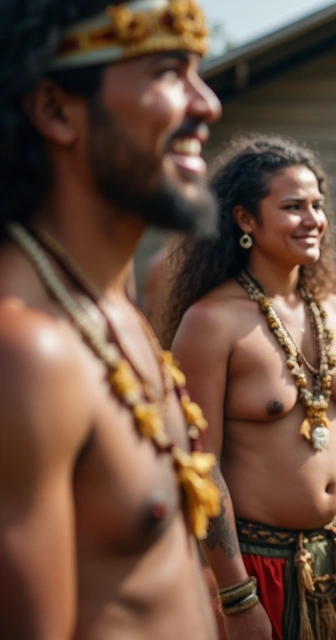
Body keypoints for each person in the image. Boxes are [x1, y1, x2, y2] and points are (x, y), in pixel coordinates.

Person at [0, 1, 224, 636]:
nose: (206, 105)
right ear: (55, 109)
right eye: (166, 72)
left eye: (197, 72)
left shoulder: (109, 305)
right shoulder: (25, 354)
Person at [165, 135, 336, 640]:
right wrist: (235, 594)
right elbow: (202, 468)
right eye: (292, 207)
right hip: (253, 568)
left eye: (317, 205)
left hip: (333, 557)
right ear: (245, 219)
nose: (312, 219)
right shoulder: (212, 322)